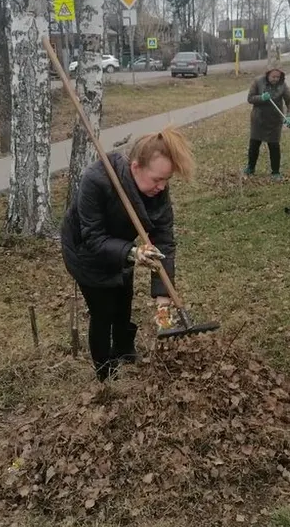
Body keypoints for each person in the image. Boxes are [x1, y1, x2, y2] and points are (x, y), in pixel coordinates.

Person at [60, 127, 195, 381]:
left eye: (166, 180)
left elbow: (164, 241)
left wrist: (163, 301)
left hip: (124, 247)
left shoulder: (156, 189)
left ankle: (124, 349)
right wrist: (133, 252)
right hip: (85, 252)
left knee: (123, 298)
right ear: (135, 167)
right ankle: (105, 372)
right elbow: (93, 238)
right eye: (157, 179)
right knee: (103, 312)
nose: (162, 186)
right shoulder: (96, 180)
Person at [245, 64, 290, 181]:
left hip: (274, 120)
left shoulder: (282, 85)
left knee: (274, 146)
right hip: (259, 119)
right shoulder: (258, 82)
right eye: (273, 77)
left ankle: (275, 172)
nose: (275, 79)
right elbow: (250, 98)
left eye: (278, 77)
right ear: (268, 75)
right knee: (254, 144)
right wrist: (261, 98)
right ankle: (250, 168)